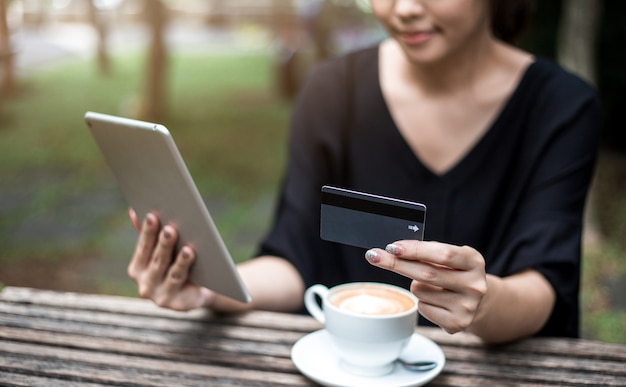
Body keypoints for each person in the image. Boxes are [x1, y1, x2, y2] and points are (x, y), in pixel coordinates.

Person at [127, 0, 601, 343]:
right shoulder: (332, 91)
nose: (405, 8)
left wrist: (483, 301)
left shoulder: (561, 106)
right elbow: (294, 259)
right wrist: (207, 287)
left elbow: (544, 288)